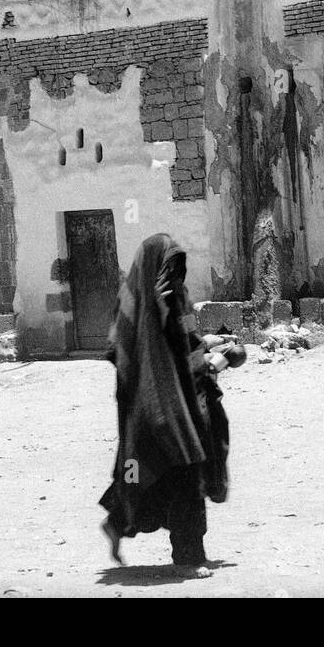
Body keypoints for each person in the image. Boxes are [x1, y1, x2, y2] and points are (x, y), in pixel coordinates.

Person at [98, 233, 243, 575]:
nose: (178, 276)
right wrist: (212, 363)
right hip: (167, 407)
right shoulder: (158, 304)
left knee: (152, 471)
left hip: (158, 406)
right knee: (185, 474)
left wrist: (210, 341)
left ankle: (118, 521)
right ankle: (188, 558)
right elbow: (170, 356)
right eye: (173, 268)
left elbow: (183, 342)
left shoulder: (146, 300)